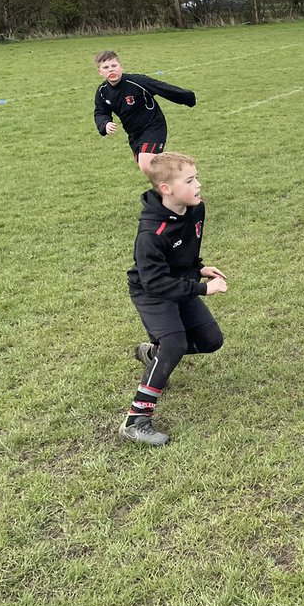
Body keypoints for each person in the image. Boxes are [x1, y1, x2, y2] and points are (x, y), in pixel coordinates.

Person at [118, 152, 227, 446]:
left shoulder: (195, 209)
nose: (198, 185)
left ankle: (155, 355)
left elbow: (185, 252)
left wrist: (199, 267)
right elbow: (155, 282)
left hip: (178, 282)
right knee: (175, 342)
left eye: (196, 178)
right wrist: (203, 288)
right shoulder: (151, 233)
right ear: (166, 189)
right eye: (190, 181)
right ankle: (135, 420)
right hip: (151, 291)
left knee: (210, 341)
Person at [93, 50, 196, 176]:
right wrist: (105, 124)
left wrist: (188, 98)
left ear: (121, 67)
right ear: (100, 72)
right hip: (134, 134)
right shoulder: (102, 92)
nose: (111, 70)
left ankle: (180, 181)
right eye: (106, 67)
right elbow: (100, 112)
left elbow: (163, 88)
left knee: (146, 165)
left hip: (153, 126)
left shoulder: (137, 81)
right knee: (153, 170)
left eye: (114, 66)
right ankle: (182, 177)